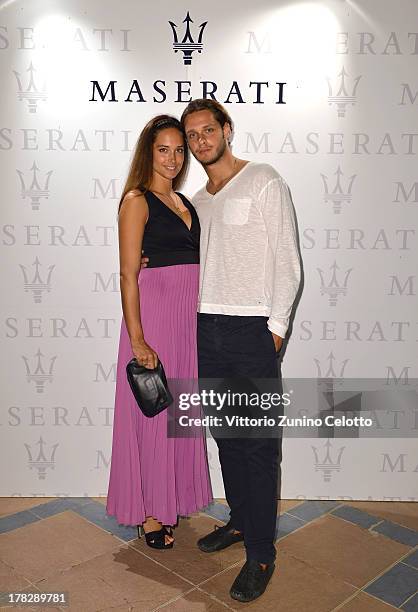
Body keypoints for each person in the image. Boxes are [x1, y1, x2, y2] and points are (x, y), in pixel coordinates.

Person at [181, 99, 301, 602]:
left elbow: (288, 260)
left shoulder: (265, 179)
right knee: (226, 437)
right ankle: (238, 522)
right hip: (204, 329)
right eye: (192, 135)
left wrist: (272, 330)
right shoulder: (194, 201)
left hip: (251, 330)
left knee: (257, 445)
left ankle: (261, 553)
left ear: (227, 130)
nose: (200, 140)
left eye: (208, 129)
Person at [106, 115, 213, 549]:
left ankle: (174, 497)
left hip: (187, 324)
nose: (172, 158)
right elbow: (128, 275)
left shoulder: (187, 203)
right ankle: (149, 512)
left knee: (179, 414)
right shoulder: (137, 200)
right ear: (148, 154)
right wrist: (138, 339)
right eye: (163, 149)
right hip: (153, 321)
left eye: (178, 149)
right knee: (153, 416)